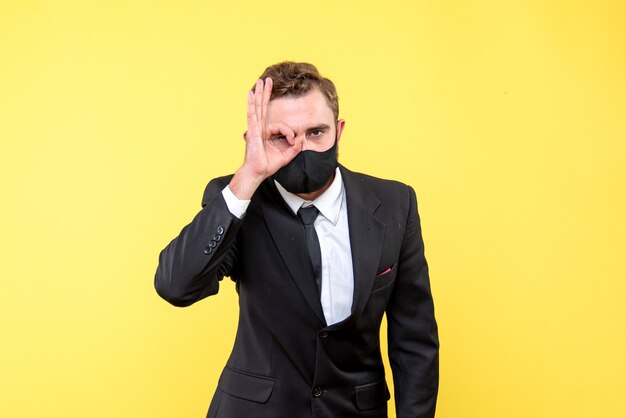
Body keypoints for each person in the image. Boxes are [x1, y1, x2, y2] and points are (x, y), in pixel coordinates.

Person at [154, 61, 439, 418]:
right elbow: (175, 286)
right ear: (258, 139)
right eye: (281, 137)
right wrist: (248, 176)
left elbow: (414, 339)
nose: (301, 148)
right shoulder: (239, 200)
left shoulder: (396, 204)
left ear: (339, 130)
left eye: (316, 132)